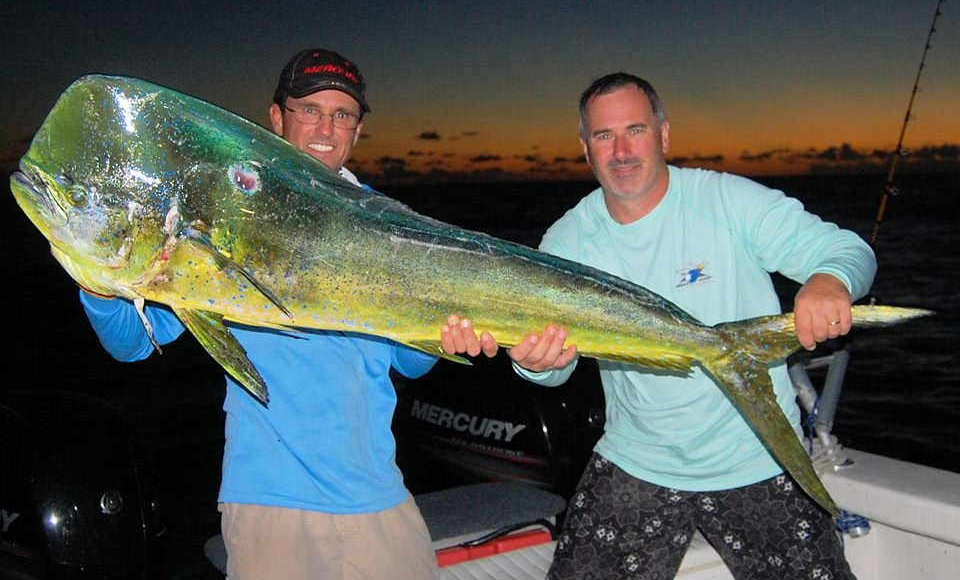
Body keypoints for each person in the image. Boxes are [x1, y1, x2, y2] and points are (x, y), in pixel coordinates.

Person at [442, 72, 874, 579]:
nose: (621, 150)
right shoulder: (569, 241)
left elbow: (849, 250)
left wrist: (830, 281)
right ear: (586, 149)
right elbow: (555, 371)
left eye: (636, 130)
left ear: (664, 135)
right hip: (638, 460)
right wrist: (538, 366)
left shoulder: (725, 200)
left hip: (759, 459)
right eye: (604, 136)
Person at [81, 49, 454, 580]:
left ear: (358, 129)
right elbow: (134, 342)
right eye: (309, 109)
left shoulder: (391, 225)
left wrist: (447, 338)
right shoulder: (223, 215)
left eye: (342, 114)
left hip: (378, 494)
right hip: (270, 504)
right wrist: (97, 278)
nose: (326, 126)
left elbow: (408, 364)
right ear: (277, 118)